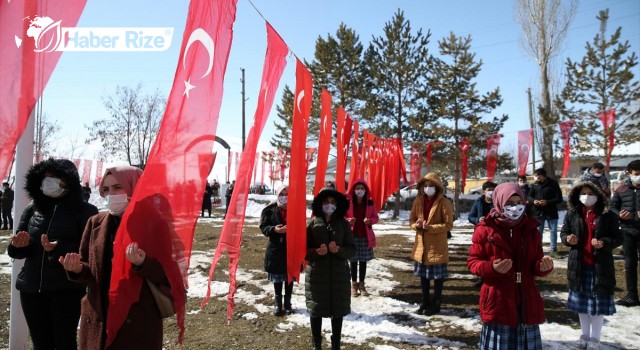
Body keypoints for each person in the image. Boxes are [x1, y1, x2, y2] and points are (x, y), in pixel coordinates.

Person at [59, 166, 176, 349]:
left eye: (117, 187)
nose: (111, 194)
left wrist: (142, 263)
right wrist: (77, 269)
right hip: (99, 315)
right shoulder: (95, 222)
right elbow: (89, 267)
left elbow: (168, 274)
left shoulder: (154, 223)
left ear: (135, 186)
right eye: (106, 189)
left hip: (135, 319)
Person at [7, 159, 98, 349]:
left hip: (66, 290)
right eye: (46, 178)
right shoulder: (32, 209)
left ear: (69, 181)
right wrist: (18, 246)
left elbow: (90, 248)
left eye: (55, 178)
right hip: (31, 289)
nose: (49, 182)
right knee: (41, 343)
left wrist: (58, 248)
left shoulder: (86, 211)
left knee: (64, 342)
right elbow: (18, 249)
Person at [467, 183, 554, 350]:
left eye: (519, 202)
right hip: (498, 300)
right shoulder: (486, 229)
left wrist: (543, 267)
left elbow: (536, 261)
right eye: (509, 203)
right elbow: (473, 263)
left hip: (526, 299)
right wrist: (492, 267)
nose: (515, 208)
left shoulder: (531, 229)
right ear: (499, 202)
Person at [560, 181, 622, 349]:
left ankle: (595, 339)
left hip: (600, 266)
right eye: (584, 193)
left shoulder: (608, 215)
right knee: (582, 305)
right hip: (579, 265)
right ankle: (585, 336)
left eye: (591, 193)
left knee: (597, 305)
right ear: (577, 195)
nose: (587, 197)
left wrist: (604, 242)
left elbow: (618, 237)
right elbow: (564, 233)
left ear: (598, 194)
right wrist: (568, 239)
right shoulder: (573, 213)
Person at [306, 188, 355, 350]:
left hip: (339, 275)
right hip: (317, 275)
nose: (329, 205)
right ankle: (316, 343)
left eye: (333, 202)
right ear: (320, 204)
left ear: (338, 205)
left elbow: (352, 249)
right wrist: (315, 252)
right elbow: (303, 251)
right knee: (316, 310)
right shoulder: (312, 224)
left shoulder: (343, 224)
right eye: (326, 202)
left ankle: (336, 344)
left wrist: (338, 251)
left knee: (338, 310)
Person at [410, 173, 453, 316]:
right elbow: (411, 221)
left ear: (438, 187)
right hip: (421, 244)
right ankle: (425, 301)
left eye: (431, 186)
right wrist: (417, 225)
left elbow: (448, 225)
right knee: (423, 276)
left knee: (438, 277)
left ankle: (437, 302)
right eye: (426, 185)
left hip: (437, 245)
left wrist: (430, 227)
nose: (428, 188)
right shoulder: (418, 201)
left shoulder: (444, 202)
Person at [260, 184, 294, 316]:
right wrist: (274, 229)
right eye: (282, 194)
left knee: (289, 277)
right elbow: (264, 227)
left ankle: (288, 303)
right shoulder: (269, 210)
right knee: (278, 278)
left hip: (290, 248)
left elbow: (301, 227)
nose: (284, 197)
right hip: (275, 248)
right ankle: (278, 304)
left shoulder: (295, 209)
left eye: (287, 194)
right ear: (278, 195)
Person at [610, 159, 640, 307]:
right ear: (629, 173)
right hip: (628, 231)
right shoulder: (621, 189)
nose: (638, 176)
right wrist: (619, 215)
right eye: (637, 174)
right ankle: (632, 295)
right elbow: (612, 206)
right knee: (630, 264)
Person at [346, 179, 379, 297]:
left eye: (362, 188)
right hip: (352, 236)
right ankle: (354, 285)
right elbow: (343, 217)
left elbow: (376, 217)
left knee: (363, 261)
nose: (359, 191)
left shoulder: (370, 203)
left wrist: (370, 221)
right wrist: (348, 221)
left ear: (366, 190)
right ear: (353, 190)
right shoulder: (348, 202)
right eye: (357, 188)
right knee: (353, 261)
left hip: (365, 236)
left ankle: (362, 284)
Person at [528, 168, 564, 256]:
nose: (537, 178)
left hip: (551, 212)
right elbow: (529, 197)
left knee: (553, 230)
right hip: (538, 212)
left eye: (538, 176)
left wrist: (547, 202)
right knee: (538, 231)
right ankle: (538, 249)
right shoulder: (534, 185)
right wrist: (534, 201)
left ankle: (553, 249)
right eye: (535, 176)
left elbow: (559, 198)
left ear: (544, 176)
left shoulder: (553, 184)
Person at [468, 181, 497, 288]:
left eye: (493, 190)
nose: (491, 192)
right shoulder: (478, 203)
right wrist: (478, 220)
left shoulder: (498, 202)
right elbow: (470, 216)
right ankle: (482, 277)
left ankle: (492, 275)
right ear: (484, 191)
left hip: (495, 232)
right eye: (489, 190)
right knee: (482, 255)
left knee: (493, 255)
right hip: (481, 233)